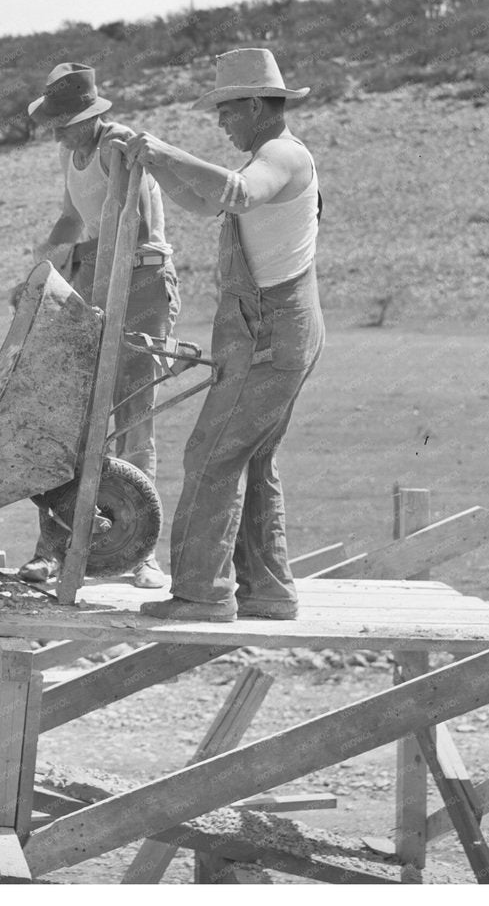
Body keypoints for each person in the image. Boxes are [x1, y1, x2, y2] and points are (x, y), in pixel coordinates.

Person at [123, 48, 324, 622]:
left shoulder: (281, 155)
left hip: (271, 331)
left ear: (257, 105)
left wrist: (166, 150)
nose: (221, 122)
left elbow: (236, 193)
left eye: (228, 111)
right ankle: (267, 589)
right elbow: (200, 199)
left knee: (211, 456)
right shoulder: (270, 155)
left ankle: (202, 594)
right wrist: (149, 160)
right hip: (269, 328)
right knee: (249, 459)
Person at [17, 62, 179, 589]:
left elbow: (133, 228)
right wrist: (38, 271)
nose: (54, 132)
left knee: (134, 415)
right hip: (97, 276)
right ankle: (56, 546)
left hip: (142, 282)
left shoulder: (118, 147)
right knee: (73, 414)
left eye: (61, 122)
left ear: (87, 116)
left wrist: (86, 273)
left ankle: (141, 553)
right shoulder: (74, 153)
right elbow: (72, 221)